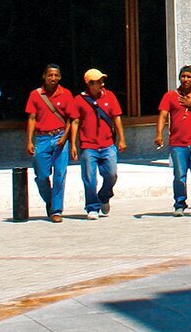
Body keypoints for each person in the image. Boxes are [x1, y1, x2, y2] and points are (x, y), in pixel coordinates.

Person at [155, 65, 191, 216]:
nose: (185, 79)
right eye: (183, 76)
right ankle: (179, 204)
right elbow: (163, 115)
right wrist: (159, 134)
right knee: (179, 176)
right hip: (177, 144)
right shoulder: (170, 96)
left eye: (189, 76)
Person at [25, 64, 77, 222]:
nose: (53, 78)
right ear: (44, 76)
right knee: (41, 175)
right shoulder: (35, 95)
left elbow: (71, 118)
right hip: (42, 139)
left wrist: (66, 137)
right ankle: (50, 200)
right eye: (50, 75)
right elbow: (32, 118)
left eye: (56, 75)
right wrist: (29, 141)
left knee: (60, 174)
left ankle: (56, 210)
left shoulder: (66, 94)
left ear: (60, 77)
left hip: (60, 136)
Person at [73, 68, 125, 219]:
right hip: (88, 146)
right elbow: (75, 122)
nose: (102, 84)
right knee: (89, 178)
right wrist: (73, 145)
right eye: (98, 81)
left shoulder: (110, 96)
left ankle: (103, 196)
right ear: (90, 84)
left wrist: (122, 138)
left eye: (102, 80)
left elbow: (117, 118)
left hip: (108, 144)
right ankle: (92, 207)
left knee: (111, 174)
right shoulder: (79, 100)